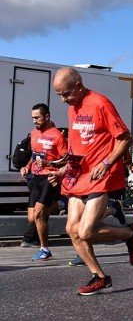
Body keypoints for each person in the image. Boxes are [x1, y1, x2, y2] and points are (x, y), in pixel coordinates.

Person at [48, 67, 133, 295]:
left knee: (86, 231)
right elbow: (77, 144)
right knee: (72, 229)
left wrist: (107, 163)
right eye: (59, 94)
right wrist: (63, 170)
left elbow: (125, 138)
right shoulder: (73, 108)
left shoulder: (101, 103)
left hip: (101, 175)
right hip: (78, 175)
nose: (63, 100)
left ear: (78, 86)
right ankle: (100, 277)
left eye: (66, 94)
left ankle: (131, 233)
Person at [23, 103, 67, 262]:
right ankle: (61, 204)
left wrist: (49, 164)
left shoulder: (58, 136)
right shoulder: (33, 133)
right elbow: (34, 154)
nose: (34, 121)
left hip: (50, 177)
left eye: (37, 117)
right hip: (36, 178)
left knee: (39, 214)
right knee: (31, 218)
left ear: (47, 116)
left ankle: (44, 249)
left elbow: (66, 160)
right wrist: (27, 166)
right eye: (33, 118)